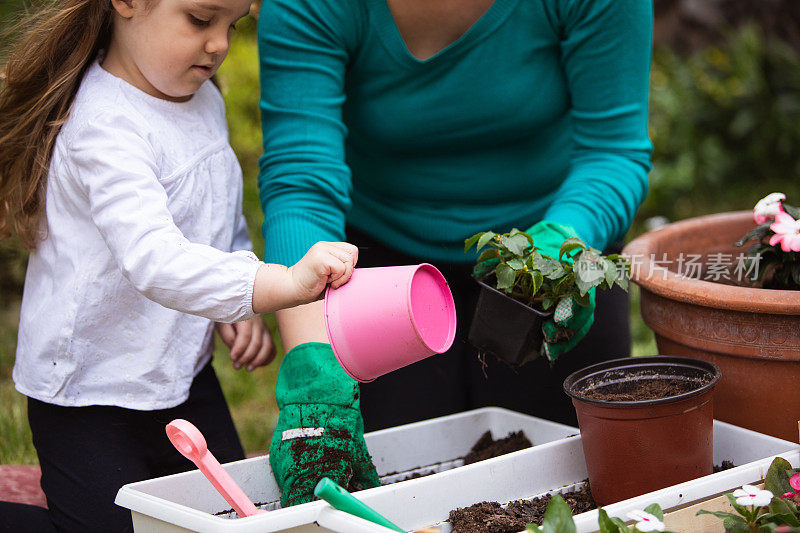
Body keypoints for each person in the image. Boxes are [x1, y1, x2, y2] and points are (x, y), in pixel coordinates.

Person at [256, 0, 654, 506]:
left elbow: (612, 150)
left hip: (551, 252)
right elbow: (302, 180)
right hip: (376, 269)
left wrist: (564, 247)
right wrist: (313, 366)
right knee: (398, 495)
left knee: (576, 487)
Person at [0, 0, 361, 530]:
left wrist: (234, 303)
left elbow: (214, 213)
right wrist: (275, 282)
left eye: (231, 24)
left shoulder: (198, 97)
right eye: (199, 20)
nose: (219, 43)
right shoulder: (105, 125)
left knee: (237, 517)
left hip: (181, 377)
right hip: (90, 392)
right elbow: (156, 261)